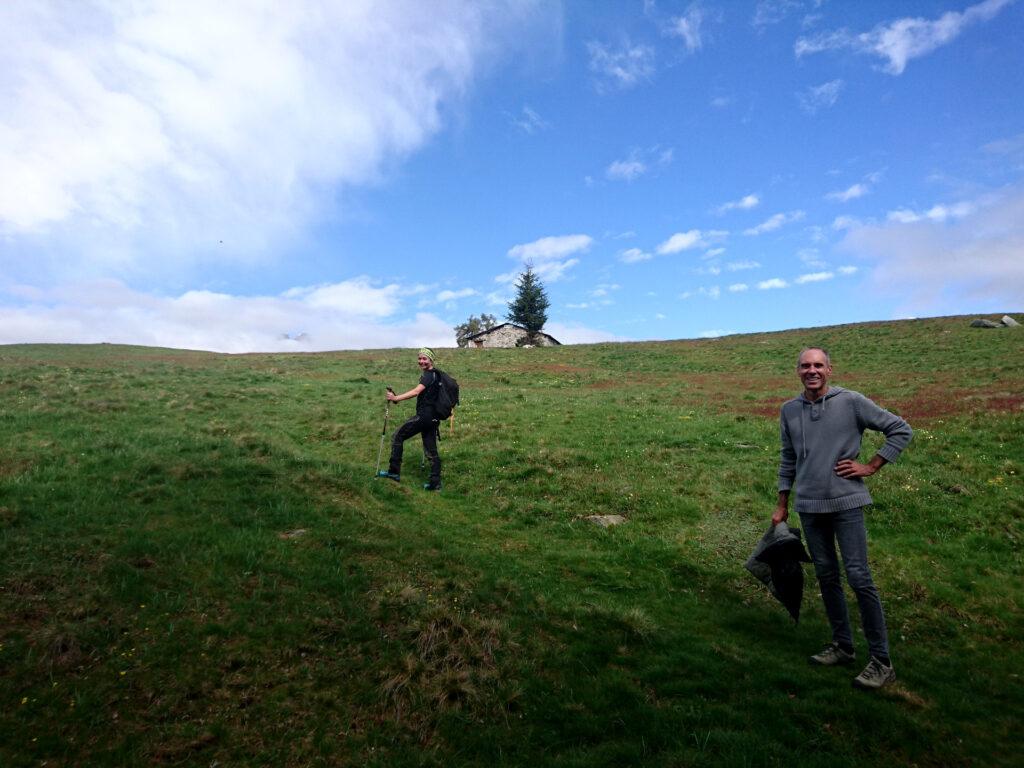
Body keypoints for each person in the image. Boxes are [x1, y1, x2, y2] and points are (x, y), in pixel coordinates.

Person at [772, 347, 912, 690]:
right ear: (797, 371)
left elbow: (901, 429)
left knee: (859, 577)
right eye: (805, 365)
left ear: (830, 370)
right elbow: (788, 458)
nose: (812, 370)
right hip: (809, 507)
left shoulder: (851, 402)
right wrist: (783, 503)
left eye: (818, 365)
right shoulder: (789, 410)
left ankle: (881, 662)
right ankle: (843, 646)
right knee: (827, 575)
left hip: (846, 503)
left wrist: (871, 466)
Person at [376, 348, 443, 491]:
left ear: (431, 360)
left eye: (425, 359)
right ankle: (435, 483)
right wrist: (396, 399)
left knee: (397, 436)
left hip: (425, 416)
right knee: (431, 450)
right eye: (420, 358)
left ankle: (393, 473)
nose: (421, 361)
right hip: (434, 418)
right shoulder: (436, 375)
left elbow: (416, 391)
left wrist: (395, 398)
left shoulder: (428, 375)